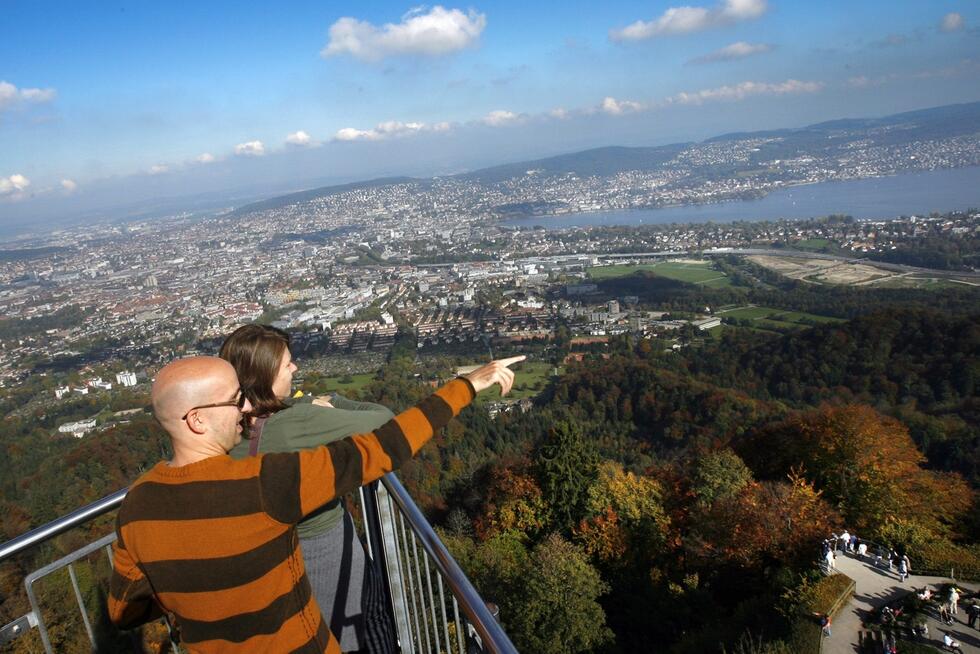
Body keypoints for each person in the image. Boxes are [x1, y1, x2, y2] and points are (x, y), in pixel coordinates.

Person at [108, 354, 522, 653]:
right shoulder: (268, 482)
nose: (248, 407)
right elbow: (384, 446)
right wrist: (467, 385)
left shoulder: (137, 506)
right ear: (196, 420)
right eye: (235, 400)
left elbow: (123, 612)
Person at [220, 324, 396, 653]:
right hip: (324, 551)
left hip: (268, 562)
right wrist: (333, 401)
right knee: (357, 624)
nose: (295, 368)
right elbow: (385, 418)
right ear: (265, 374)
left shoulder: (228, 428)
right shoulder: (296, 424)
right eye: (287, 364)